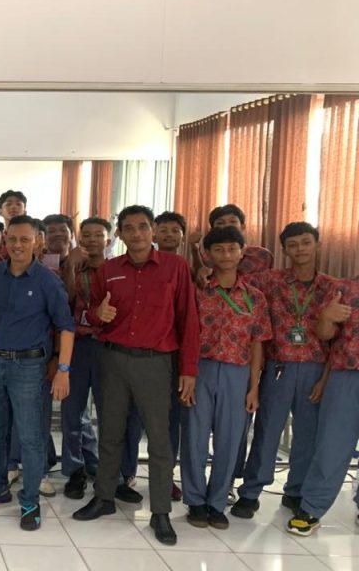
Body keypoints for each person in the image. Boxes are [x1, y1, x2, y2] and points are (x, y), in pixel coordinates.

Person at [73, 205, 200, 548]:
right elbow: (90, 313)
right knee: (110, 432)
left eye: (143, 227)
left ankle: (160, 512)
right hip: (113, 360)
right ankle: (104, 497)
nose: (136, 233)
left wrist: (189, 369)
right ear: (120, 234)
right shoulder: (110, 269)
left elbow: (189, 320)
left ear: (153, 230)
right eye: (128, 228)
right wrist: (97, 314)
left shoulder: (175, 267)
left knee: (159, 439)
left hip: (156, 363)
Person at [0, 215, 75, 531]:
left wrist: (63, 370)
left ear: (36, 242)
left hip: (29, 366)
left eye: (24, 239)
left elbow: (66, 327)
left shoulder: (47, 280)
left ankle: (29, 501)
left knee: (29, 436)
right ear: (5, 240)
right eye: (12, 239)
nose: (17, 245)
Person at [232, 222, 333, 519]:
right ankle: (250, 492)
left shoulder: (331, 287)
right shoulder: (270, 280)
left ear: (317, 244)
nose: (300, 249)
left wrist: (325, 378)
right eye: (293, 244)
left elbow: (338, 337)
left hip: (315, 368)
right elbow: (232, 277)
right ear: (285, 250)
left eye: (306, 242)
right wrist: (202, 269)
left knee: (307, 434)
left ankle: (296, 491)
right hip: (279, 368)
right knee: (267, 431)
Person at [182, 227, 271, 530]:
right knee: (194, 437)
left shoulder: (255, 297)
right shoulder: (198, 292)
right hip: (201, 370)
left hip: (238, 373)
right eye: (218, 249)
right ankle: (195, 500)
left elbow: (257, 343)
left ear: (242, 251)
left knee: (230, 440)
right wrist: (187, 374)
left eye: (232, 248)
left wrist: (254, 387)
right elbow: (187, 335)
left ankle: (217, 502)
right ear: (207, 254)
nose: (226, 255)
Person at [288, 277, 359, 535]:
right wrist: (327, 317)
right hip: (346, 374)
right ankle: (312, 508)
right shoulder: (345, 289)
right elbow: (325, 334)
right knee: (332, 445)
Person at [59, 217, 109, 500]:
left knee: (108, 413)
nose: (91, 240)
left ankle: (106, 470)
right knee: (72, 412)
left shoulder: (116, 269)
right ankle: (74, 471)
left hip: (108, 348)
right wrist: (71, 267)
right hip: (77, 346)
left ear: (108, 240)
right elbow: (65, 302)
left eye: (98, 235)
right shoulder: (73, 268)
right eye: (86, 235)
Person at [153, 210, 188, 500]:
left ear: (182, 236)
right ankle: (126, 473)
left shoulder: (184, 267)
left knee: (168, 421)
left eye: (174, 230)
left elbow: (187, 318)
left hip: (172, 354)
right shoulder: (141, 264)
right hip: (137, 355)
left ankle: (166, 477)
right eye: (163, 229)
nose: (168, 234)